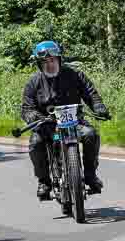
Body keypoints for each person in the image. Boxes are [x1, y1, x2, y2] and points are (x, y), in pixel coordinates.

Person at [21, 41, 112, 200]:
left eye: (52, 60)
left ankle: (90, 175)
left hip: (75, 123)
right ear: (39, 64)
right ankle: (44, 182)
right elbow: (27, 108)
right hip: (48, 126)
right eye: (45, 62)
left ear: (59, 60)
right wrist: (34, 117)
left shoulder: (75, 75)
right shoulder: (33, 82)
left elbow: (91, 94)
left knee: (91, 134)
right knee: (36, 143)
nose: (50, 64)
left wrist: (98, 107)